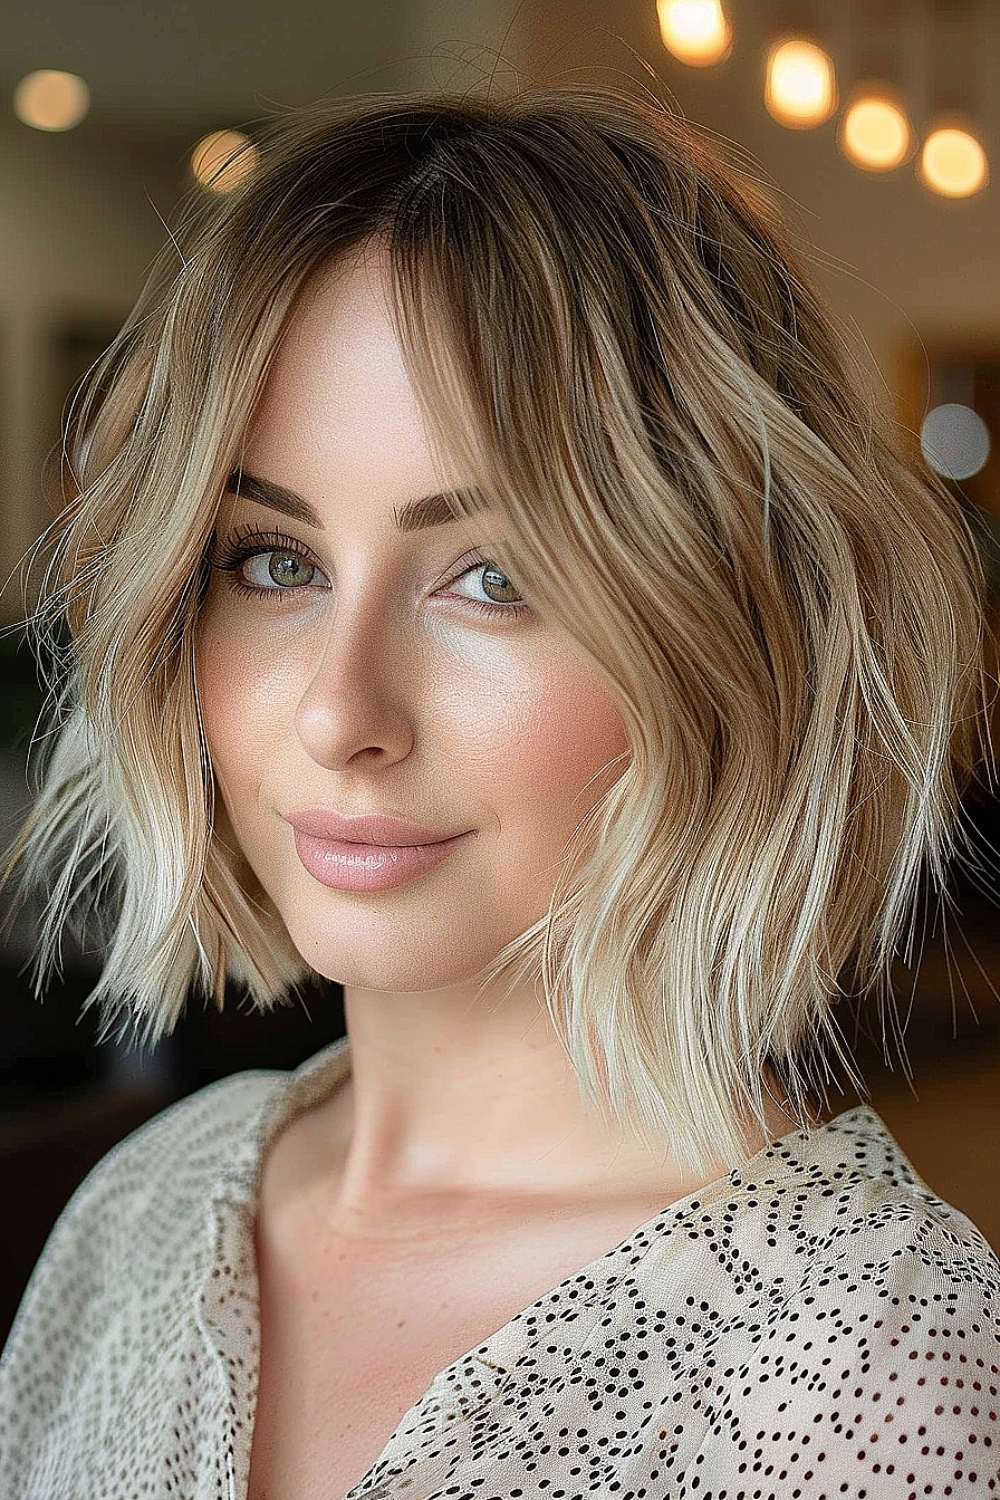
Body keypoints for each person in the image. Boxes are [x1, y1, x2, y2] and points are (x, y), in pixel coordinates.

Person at [0, 82, 998, 1500]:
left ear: (735, 630)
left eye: (496, 578)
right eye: (274, 562)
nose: (343, 712)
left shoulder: (864, 1368)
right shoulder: (149, 1209)